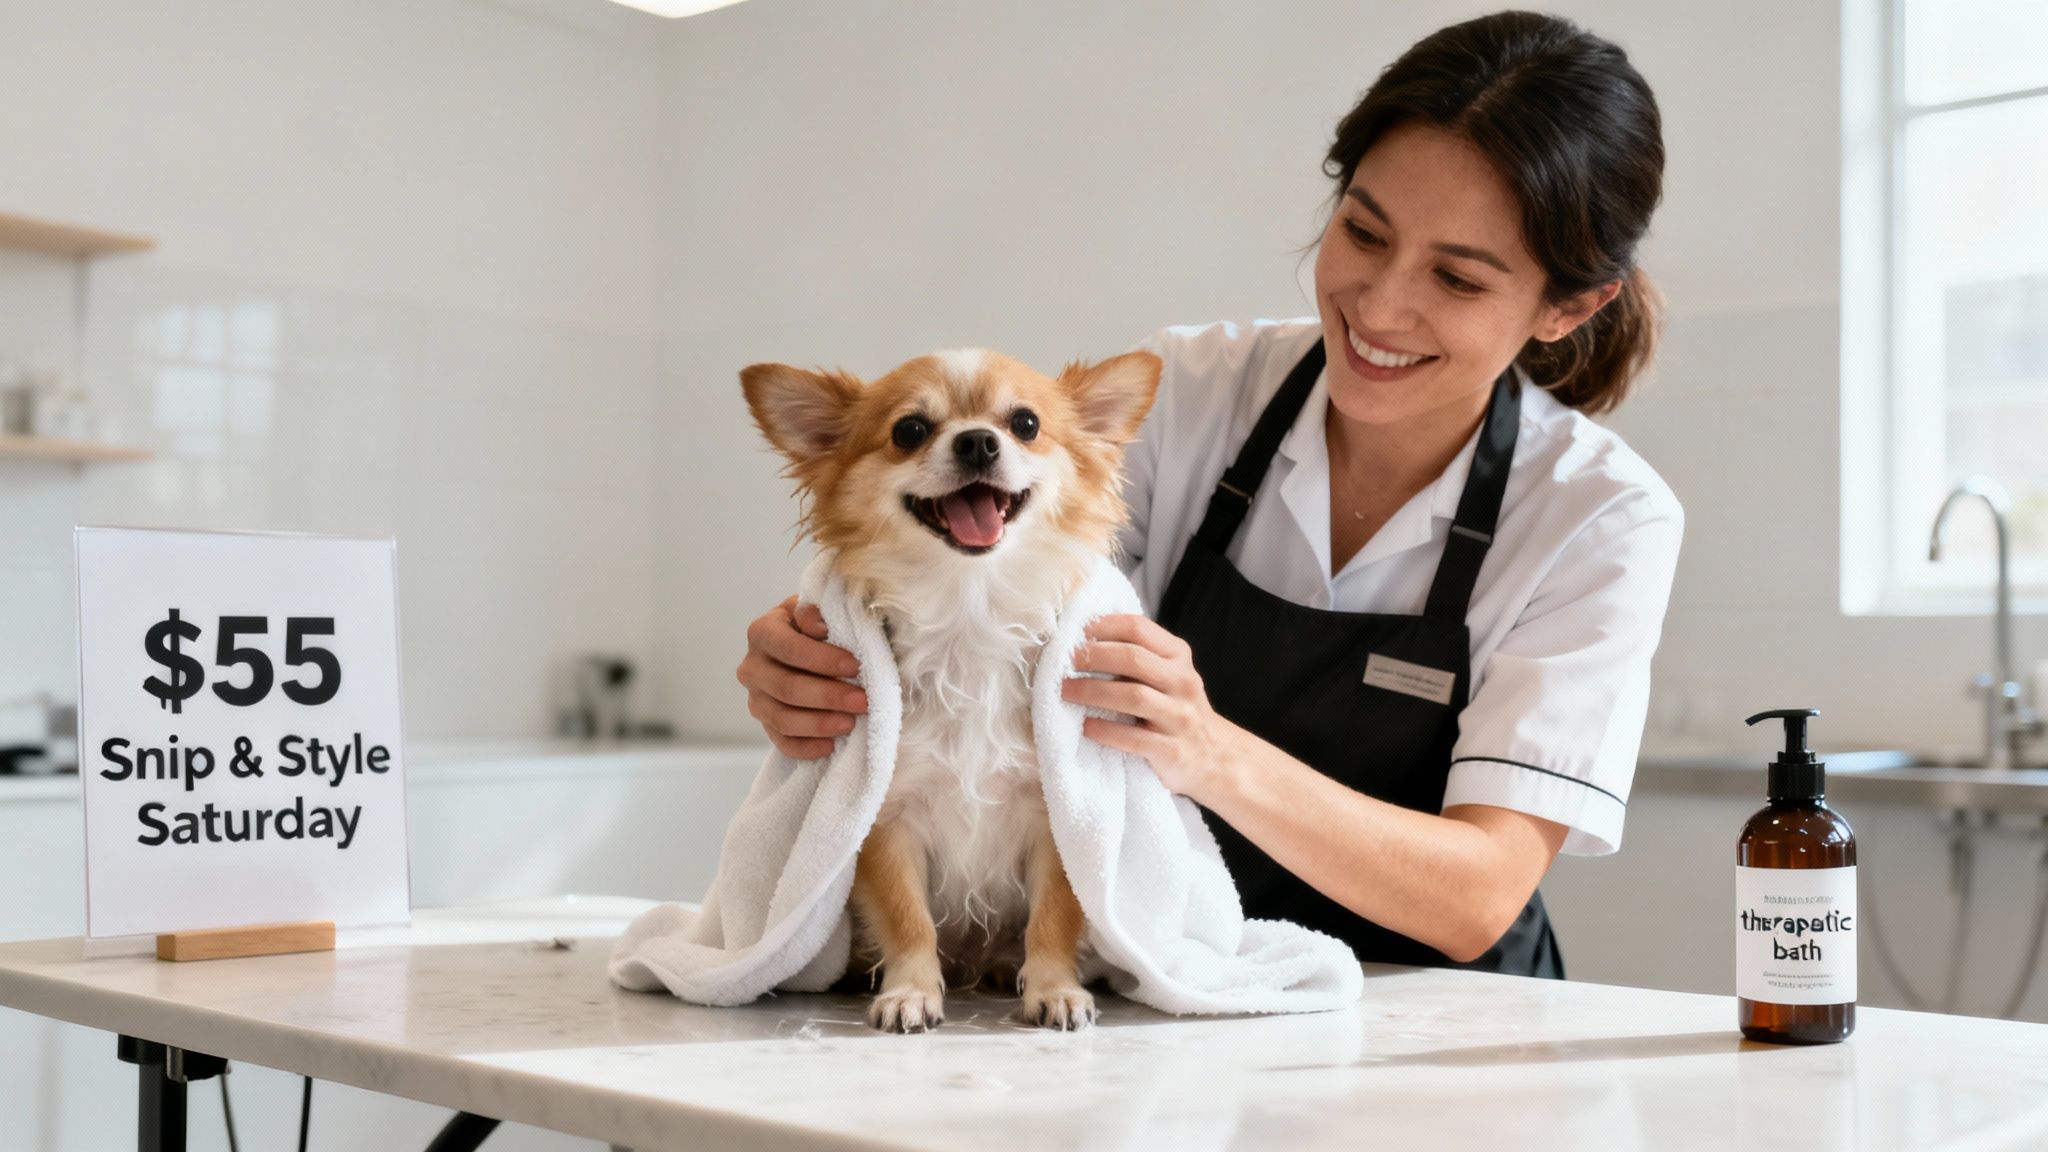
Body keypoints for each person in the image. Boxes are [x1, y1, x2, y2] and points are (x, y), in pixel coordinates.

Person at [735, 10, 1682, 978]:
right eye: (1362, 230)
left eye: (1455, 278)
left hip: (1444, 1024)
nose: (1379, 304)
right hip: (1171, 971)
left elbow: (1478, 894)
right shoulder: (1194, 391)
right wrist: (821, 655)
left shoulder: (1597, 517)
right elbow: (984, 599)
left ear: (1568, 307)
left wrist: (1206, 750)